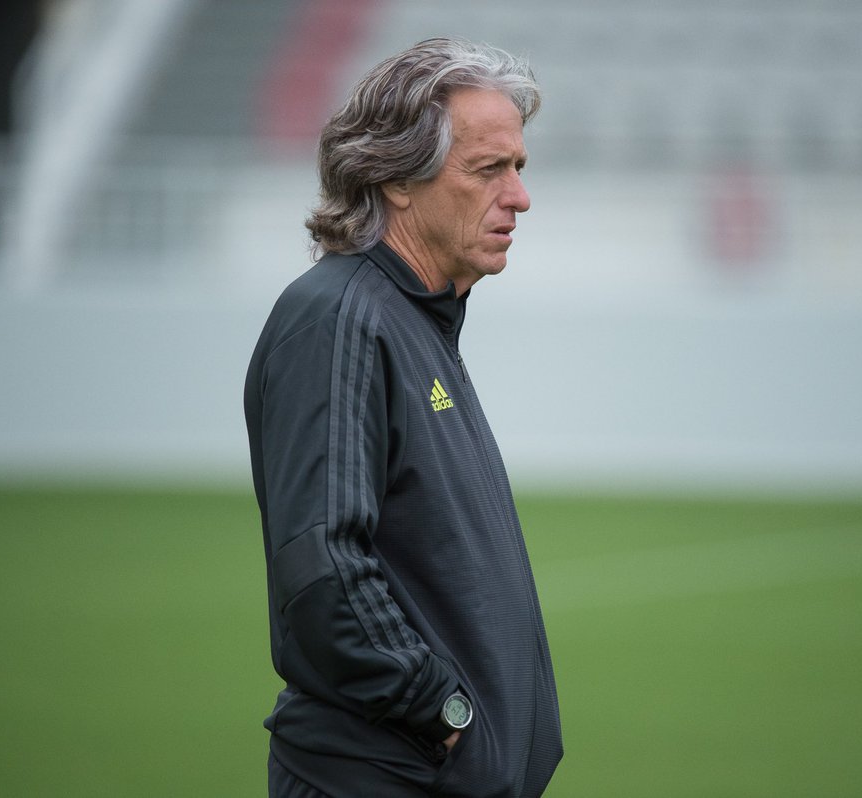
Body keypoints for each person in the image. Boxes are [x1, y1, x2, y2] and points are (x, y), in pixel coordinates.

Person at [243, 37, 563, 797]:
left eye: (518, 168)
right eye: (489, 169)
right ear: (396, 180)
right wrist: (443, 714)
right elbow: (323, 568)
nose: (518, 196)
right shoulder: (341, 319)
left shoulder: (415, 319)